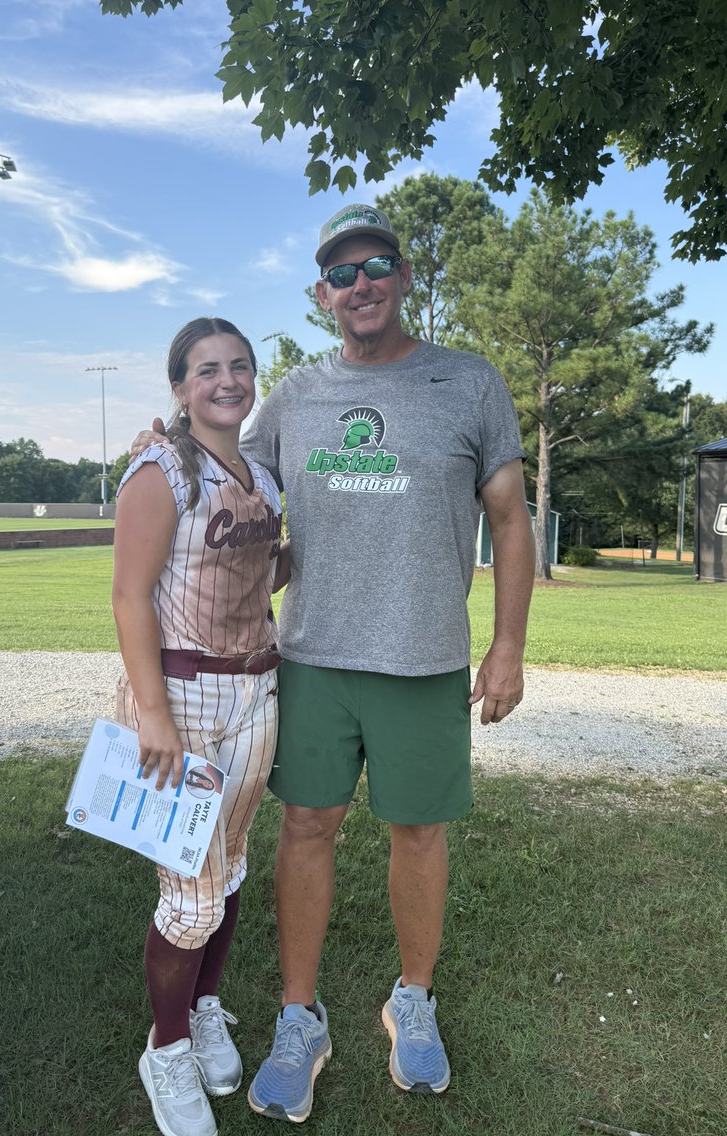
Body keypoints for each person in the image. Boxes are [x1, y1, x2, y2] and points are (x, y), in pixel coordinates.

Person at [132, 203, 535, 1124]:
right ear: (323, 295)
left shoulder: (469, 383)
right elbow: (227, 465)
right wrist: (161, 440)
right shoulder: (295, 396)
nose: (361, 285)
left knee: (418, 835)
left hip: (424, 659)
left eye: (377, 265)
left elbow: (510, 519)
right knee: (305, 832)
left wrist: (509, 646)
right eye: (342, 274)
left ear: (403, 277)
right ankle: (297, 1018)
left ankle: (413, 1002)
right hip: (309, 657)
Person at [112, 316, 288, 1136]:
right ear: (180, 386)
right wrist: (151, 714)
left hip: (255, 691)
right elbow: (129, 596)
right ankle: (168, 1047)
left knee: (231, 871)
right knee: (188, 898)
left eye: (241, 366)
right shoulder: (163, 468)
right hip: (179, 699)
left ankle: (205, 1007)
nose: (228, 380)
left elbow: (260, 569)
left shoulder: (260, 473)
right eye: (208, 369)